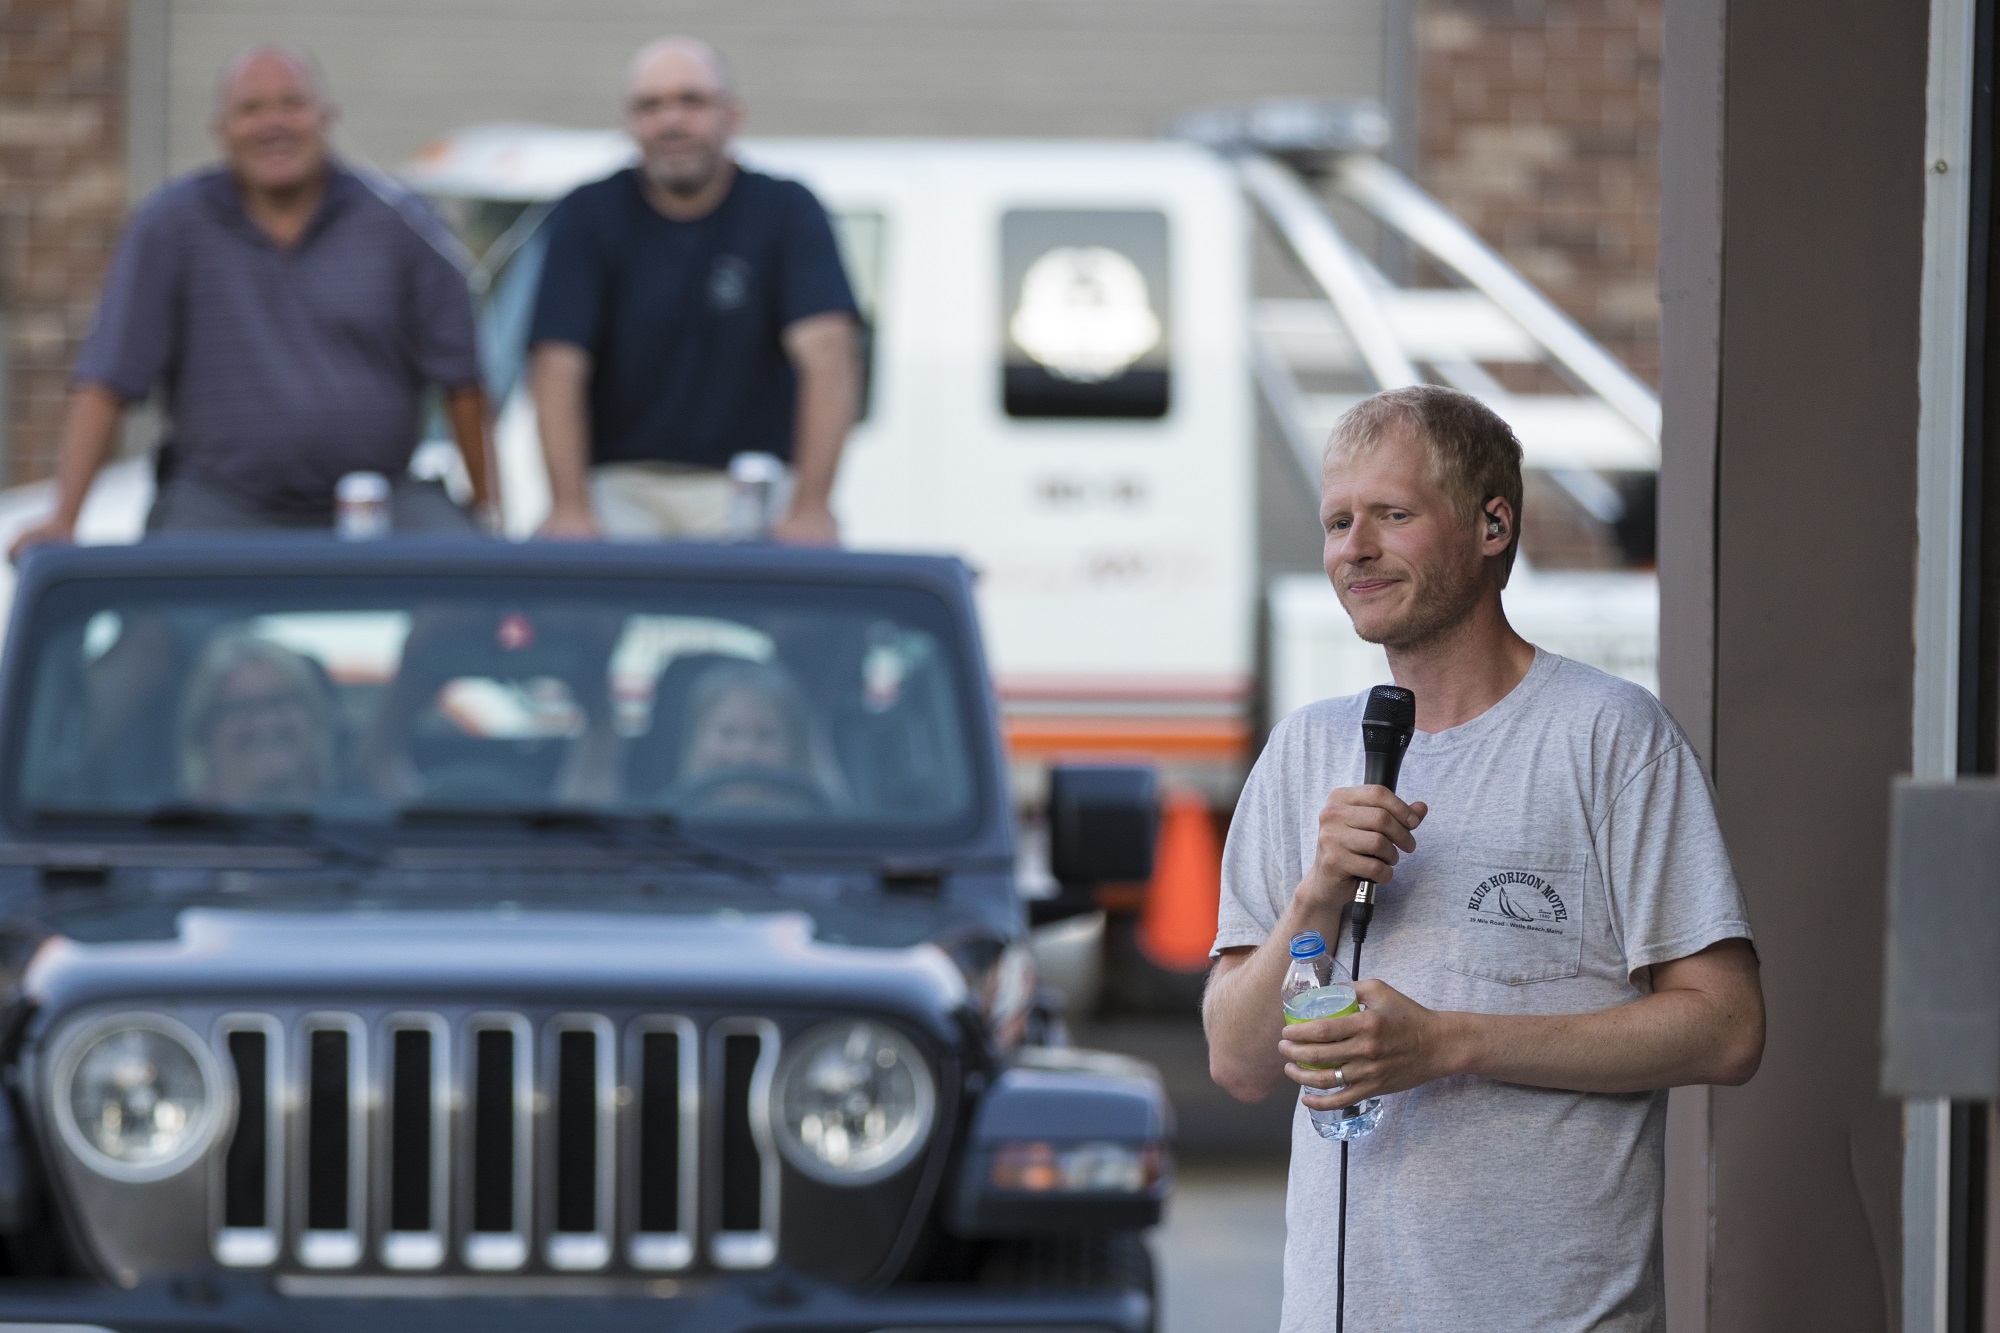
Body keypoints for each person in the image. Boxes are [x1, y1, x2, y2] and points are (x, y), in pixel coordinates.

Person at [1202, 385, 1764, 1332]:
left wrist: (1448, 1042)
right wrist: (1318, 895)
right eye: (1339, 520)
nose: (1355, 548)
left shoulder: (1610, 737)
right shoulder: (1304, 750)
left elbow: (1728, 1027)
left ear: (1493, 523)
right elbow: (1239, 1061)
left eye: (1392, 513)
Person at [10, 45, 494, 555]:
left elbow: (464, 383)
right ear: (221, 128)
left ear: (326, 118)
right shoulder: (172, 226)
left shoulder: (403, 222)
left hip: (379, 499)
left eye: (291, 104)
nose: (273, 124)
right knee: (148, 631)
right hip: (219, 504)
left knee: (473, 603)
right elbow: (106, 378)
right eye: (251, 109)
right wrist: (64, 517)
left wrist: (487, 517)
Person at [528, 37, 861, 544]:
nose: (671, 122)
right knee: (560, 611)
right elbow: (556, 365)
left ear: (733, 115)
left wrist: (812, 507)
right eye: (650, 105)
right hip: (620, 486)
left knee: (818, 611)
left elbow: (829, 356)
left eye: (691, 101)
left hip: (750, 483)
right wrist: (569, 507)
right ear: (630, 122)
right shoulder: (586, 213)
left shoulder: (787, 210)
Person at [178, 634, 337, 806]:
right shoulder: (174, 830)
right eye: (241, 707)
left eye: (279, 701)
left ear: (313, 716)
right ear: (205, 732)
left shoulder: (354, 821)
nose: (266, 723)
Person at [669, 659, 840, 812]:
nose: (744, 753)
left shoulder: (820, 835)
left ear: (794, 747)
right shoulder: (660, 830)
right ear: (697, 739)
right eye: (727, 732)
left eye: (765, 736)